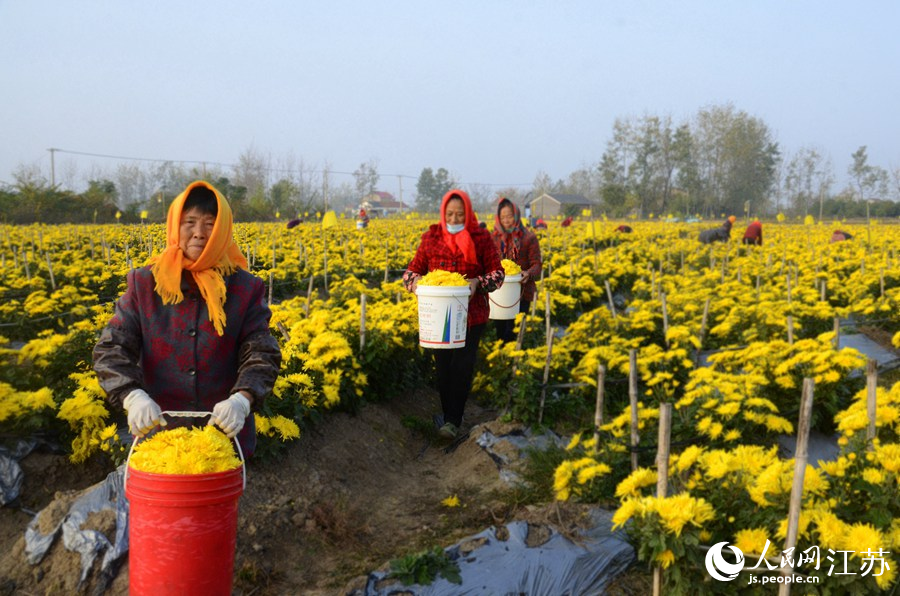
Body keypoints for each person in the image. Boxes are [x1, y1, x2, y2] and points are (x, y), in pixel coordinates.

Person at [93, 180, 282, 457]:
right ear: (174, 226)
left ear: (223, 229)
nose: (199, 234)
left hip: (223, 435)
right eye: (189, 222)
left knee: (219, 499)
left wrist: (242, 399)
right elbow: (111, 348)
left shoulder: (244, 287)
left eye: (209, 224)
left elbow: (262, 352)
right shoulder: (146, 283)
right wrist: (132, 395)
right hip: (159, 433)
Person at [403, 190, 504, 440]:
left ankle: (452, 421)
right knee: (443, 368)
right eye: (450, 214)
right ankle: (448, 414)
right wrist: (416, 284)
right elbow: (410, 272)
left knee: (462, 366)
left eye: (460, 214)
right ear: (443, 213)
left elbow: (498, 274)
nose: (455, 218)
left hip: (472, 316)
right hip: (439, 318)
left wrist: (477, 282)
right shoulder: (431, 238)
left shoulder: (481, 238)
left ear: (468, 213)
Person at [490, 198, 542, 343]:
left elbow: (537, 264)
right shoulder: (493, 238)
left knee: (514, 331)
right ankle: (504, 359)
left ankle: (515, 360)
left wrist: (528, 273)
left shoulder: (528, 238)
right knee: (500, 331)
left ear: (517, 216)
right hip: (499, 292)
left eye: (509, 216)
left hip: (522, 292)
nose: (506, 220)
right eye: (502, 217)